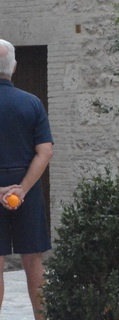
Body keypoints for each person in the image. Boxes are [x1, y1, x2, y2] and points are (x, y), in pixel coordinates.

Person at [0, 40, 53, 320]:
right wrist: (22, 189)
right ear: (15, 68)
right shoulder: (32, 103)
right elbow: (45, 151)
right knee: (34, 262)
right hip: (26, 191)